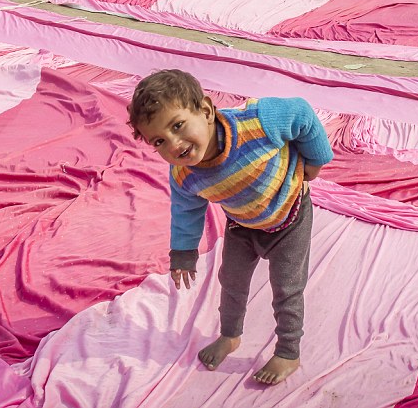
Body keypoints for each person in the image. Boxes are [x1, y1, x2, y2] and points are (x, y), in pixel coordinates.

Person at [128, 69, 333, 385]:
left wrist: (316, 160)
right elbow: (186, 212)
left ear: (206, 110)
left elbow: (302, 113)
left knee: (287, 288)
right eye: (159, 140)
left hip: (289, 217)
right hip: (242, 224)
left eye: (178, 125)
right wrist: (183, 253)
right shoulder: (184, 175)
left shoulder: (258, 122)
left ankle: (288, 353)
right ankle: (230, 335)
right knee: (231, 282)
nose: (174, 144)